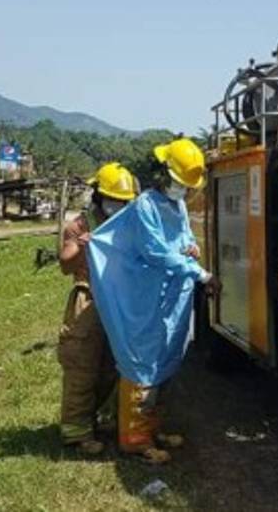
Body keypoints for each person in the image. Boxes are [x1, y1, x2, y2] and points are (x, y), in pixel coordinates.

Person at [86, 137, 218, 464]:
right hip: (146, 294)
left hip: (173, 296)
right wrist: (201, 274)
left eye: (185, 186)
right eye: (176, 183)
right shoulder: (145, 206)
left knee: (165, 361)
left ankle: (152, 428)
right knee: (142, 362)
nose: (180, 190)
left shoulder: (178, 205)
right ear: (161, 173)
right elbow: (155, 252)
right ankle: (134, 439)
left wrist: (192, 249)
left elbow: (184, 240)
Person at [56, 161, 138, 456]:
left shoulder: (128, 226)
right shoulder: (79, 225)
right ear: (98, 197)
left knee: (113, 367)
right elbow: (65, 265)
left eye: (124, 202)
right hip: (88, 300)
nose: (117, 207)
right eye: (113, 200)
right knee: (82, 366)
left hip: (119, 300)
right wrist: (81, 247)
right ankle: (77, 433)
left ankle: (99, 420)